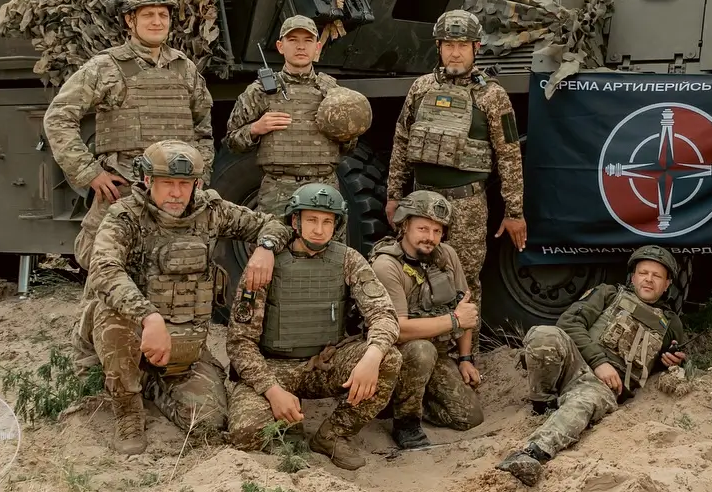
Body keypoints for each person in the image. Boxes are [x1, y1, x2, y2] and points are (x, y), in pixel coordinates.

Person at [78, 141, 285, 455]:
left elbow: (272, 223)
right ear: (148, 182)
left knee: (208, 423)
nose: (176, 193)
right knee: (110, 311)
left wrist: (265, 248)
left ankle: (149, 382)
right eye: (167, 184)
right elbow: (104, 269)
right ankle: (128, 407)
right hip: (136, 331)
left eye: (183, 185)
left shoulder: (211, 212)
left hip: (185, 347)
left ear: (196, 185)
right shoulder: (126, 215)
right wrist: (149, 317)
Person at [226, 183, 403, 470]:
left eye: (327, 221)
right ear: (295, 221)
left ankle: (332, 435)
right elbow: (239, 342)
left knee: (388, 359)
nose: (319, 229)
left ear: (338, 224)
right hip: (274, 366)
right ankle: (286, 424)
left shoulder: (347, 259)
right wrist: (272, 390)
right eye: (311, 220)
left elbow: (384, 314)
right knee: (245, 435)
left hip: (324, 364)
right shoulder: (266, 265)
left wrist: (372, 355)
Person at [44, 0, 213, 270]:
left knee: (174, 270)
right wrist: (90, 173)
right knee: (107, 269)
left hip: (175, 196)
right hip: (125, 190)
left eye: (163, 15)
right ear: (129, 19)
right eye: (148, 15)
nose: (157, 22)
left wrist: (199, 176)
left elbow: (203, 128)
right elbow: (58, 117)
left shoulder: (185, 69)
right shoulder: (106, 67)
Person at [495, 246, 686, 486]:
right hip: (575, 361)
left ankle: (533, 453)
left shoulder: (670, 323)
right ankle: (542, 403)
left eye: (657, 276)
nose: (648, 279)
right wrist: (600, 361)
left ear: (667, 283)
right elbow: (569, 322)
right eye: (643, 273)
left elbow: (658, 363)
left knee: (582, 403)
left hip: (603, 386)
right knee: (545, 335)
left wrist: (671, 360)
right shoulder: (608, 294)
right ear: (633, 276)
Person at [387, 9, 525, 323]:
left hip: (466, 205)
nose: (455, 52)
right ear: (439, 47)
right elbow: (402, 142)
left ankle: (466, 357)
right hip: (421, 200)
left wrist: (514, 212)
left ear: (476, 48)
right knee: (415, 273)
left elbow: (510, 156)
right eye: (449, 45)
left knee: (465, 281)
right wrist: (394, 196)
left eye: (463, 45)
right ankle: (423, 347)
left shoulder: (492, 96)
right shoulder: (421, 89)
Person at [369, 190, 484, 449]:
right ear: (405, 225)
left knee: (470, 417)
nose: (430, 238)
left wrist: (465, 359)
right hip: (393, 357)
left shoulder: (447, 256)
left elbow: (464, 309)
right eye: (423, 228)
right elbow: (397, 331)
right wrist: (454, 320)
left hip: (438, 355)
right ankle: (405, 423)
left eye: (437, 231)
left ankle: (408, 401)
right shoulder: (387, 266)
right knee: (421, 349)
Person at [222, 14, 370, 215]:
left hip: (324, 189)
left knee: (326, 246)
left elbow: (350, 146)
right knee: (274, 244)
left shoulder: (332, 93)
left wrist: (342, 132)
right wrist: (256, 129)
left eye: (307, 41)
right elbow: (231, 142)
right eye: (293, 40)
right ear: (280, 46)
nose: (301, 47)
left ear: (317, 47)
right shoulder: (260, 91)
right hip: (278, 191)